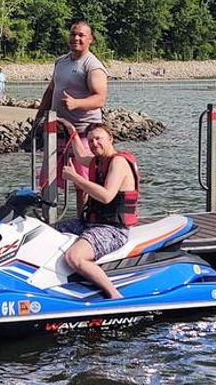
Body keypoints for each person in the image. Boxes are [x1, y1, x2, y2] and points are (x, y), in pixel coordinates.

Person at [54, 120, 139, 299]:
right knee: (48, 231)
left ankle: (114, 295)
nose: (94, 144)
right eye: (91, 141)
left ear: (110, 139)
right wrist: (72, 131)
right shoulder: (98, 161)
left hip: (113, 229)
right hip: (91, 223)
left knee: (74, 257)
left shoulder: (118, 162)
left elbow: (107, 196)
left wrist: (76, 178)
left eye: (98, 139)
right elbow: (80, 156)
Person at [34, 20, 108, 213]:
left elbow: (99, 99)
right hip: (58, 131)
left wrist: (77, 103)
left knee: (82, 182)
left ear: (90, 39)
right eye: (73, 34)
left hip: (83, 132)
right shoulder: (61, 61)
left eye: (81, 35)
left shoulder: (93, 66)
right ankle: (48, 219)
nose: (76, 38)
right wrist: (38, 119)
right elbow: (50, 91)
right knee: (46, 179)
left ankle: (83, 219)